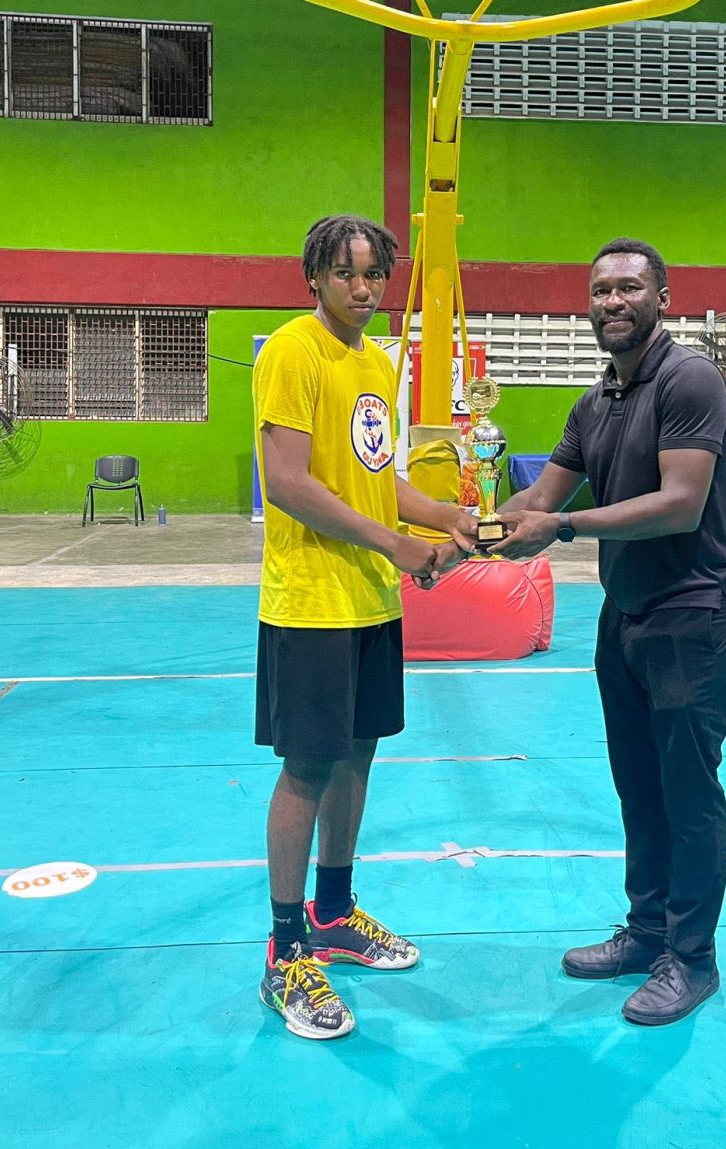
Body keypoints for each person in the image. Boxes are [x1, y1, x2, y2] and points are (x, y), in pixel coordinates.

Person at [491, 238, 726, 1026]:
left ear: (663, 299)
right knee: (637, 785)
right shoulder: (595, 402)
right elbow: (539, 497)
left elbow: (679, 500)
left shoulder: (690, 380)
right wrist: (453, 535)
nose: (613, 301)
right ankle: (646, 934)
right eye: (601, 289)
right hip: (628, 614)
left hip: (695, 610)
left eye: (630, 288)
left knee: (686, 790)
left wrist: (563, 527)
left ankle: (693, 958)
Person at [253, 214, 475, 1040]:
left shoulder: (377, 364)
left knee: (357, 757)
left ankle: (335, 913)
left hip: (372, 599)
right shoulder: (291, 352)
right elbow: (288, 483)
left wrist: (442, 513)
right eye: (346, 274)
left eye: (375, 275)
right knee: (308, 767)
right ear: (314, 277)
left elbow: (378, 484)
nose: (363, 289)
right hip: (311, 600)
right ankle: (284, 953)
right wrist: (396, 542)